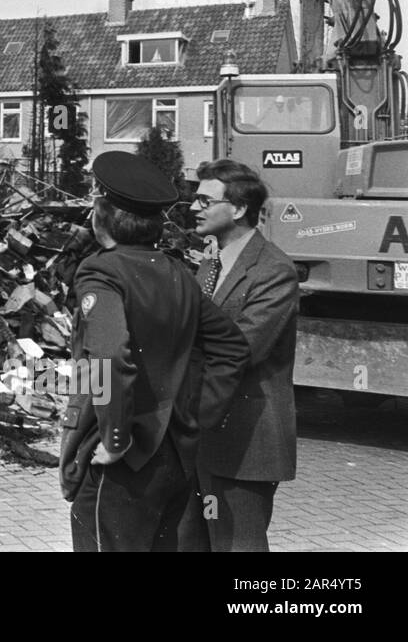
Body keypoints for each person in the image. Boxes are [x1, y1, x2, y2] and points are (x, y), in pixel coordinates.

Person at [61, 150, 249, 552]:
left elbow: (109, 359)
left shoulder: (101, 272)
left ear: (103, 215)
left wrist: (114, 438)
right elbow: (231, 347)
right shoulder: (178, 272)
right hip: (173, 457)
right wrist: (193, 416)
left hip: (122, 462)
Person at [179, 158, 298, 552]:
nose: (195, 207)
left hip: (246, 444)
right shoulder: (211, 263)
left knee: (236, 546)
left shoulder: (273, 270)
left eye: (205, 200)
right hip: (203, 437)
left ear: (240, 208)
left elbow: (243, 348)